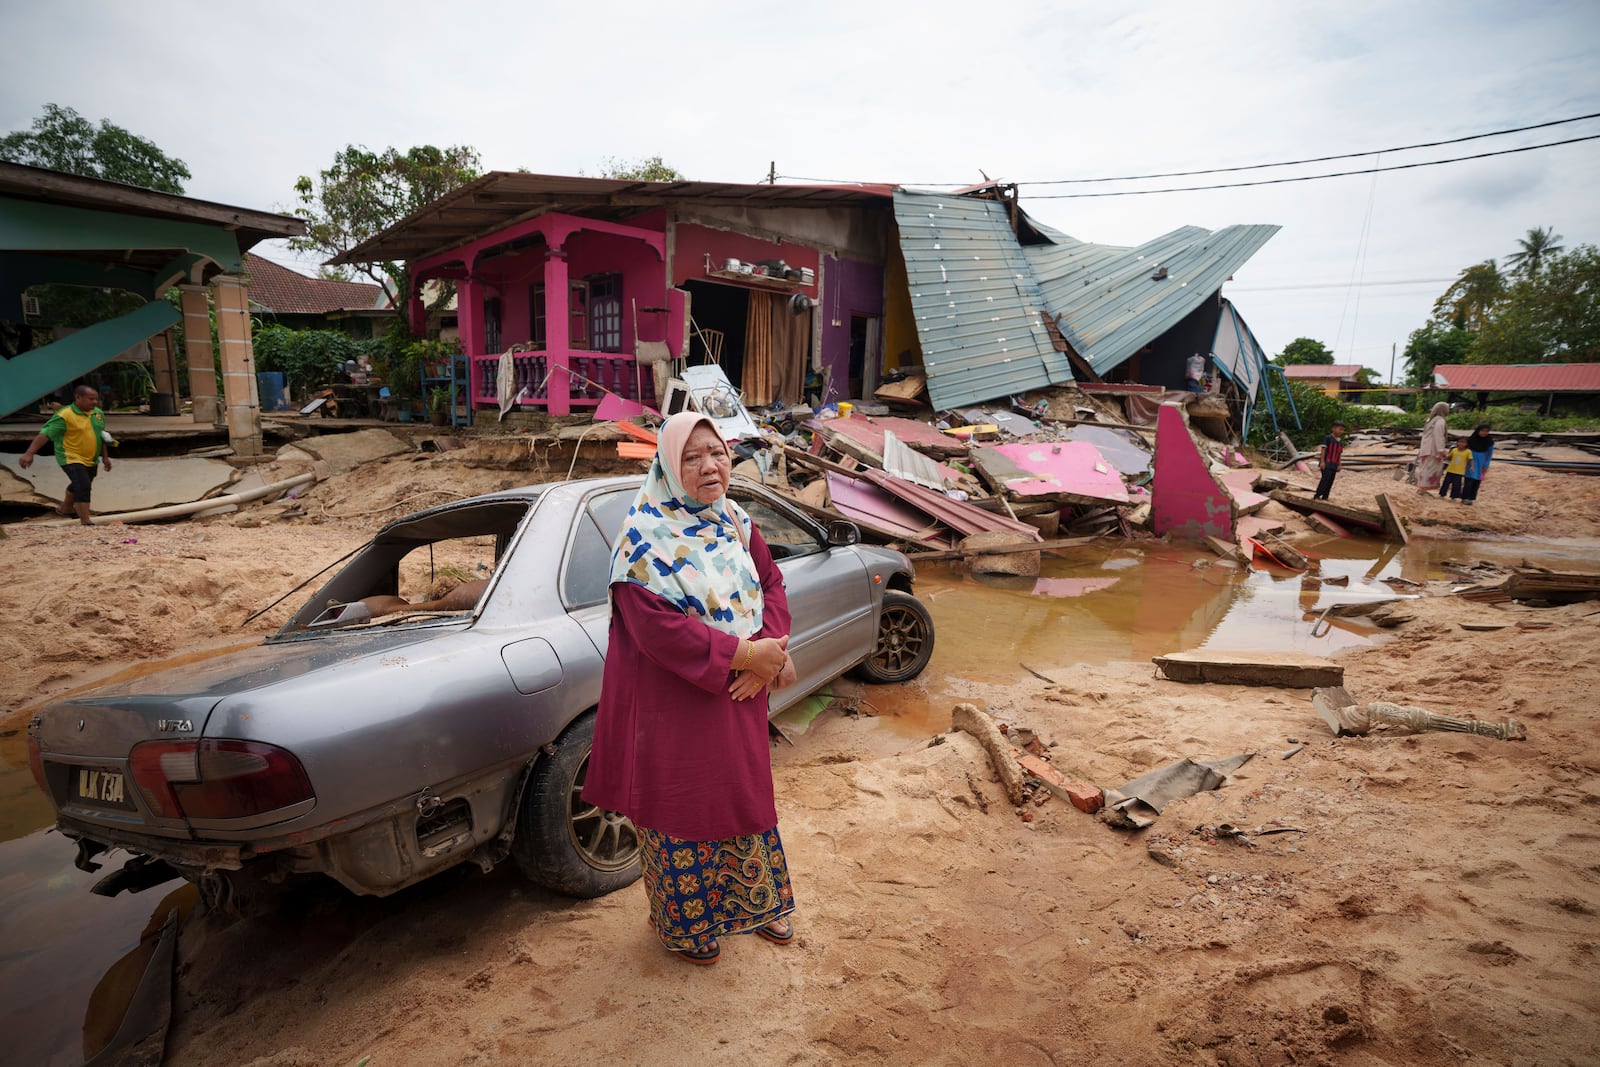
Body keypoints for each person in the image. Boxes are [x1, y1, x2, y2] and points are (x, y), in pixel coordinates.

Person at [582, 411, 799, 966]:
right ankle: (688, 925)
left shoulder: (735, 522)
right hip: (674, 704)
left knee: (742, 794)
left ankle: (758, 901)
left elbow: (771, 585)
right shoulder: (642, 538)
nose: (710, 466)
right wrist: (747, 654)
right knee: (680, 805)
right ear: (668, 465)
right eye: (692, 456)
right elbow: (656, 629)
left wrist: (768, 655)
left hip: (739, 696)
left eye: (719, 453)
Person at [18, 384, 112, 525]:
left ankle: (65, 509)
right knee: (83, 485)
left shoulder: (98, 413)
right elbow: (45, 434)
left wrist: (105, 457)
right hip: (70, 456)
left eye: (96, 399)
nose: (94, 402)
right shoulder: (64, 415)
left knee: (81, 482)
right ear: (78, 397)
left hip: (91, 458)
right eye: (91, 399)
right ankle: (85, 521)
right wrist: (29, 453)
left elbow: (102, 436)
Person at [1415, 401, 1451, 493]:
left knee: (1425, 469)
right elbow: (1438, 436)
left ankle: (1421, 488)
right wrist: (1441, 450)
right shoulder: (1440, 421)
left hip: (1426, 448)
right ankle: (1423, 489)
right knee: (1430, 469)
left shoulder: (1430, 420)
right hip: (1432, 449)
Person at [1461, 423, 1494, 505]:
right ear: (1478, 430)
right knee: (1469, 480)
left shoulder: (1489, 442)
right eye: (1482, 431)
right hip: (1470, 462)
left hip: (1481, 462)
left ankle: (1471, 497)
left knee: (1477, 480)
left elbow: (1489, 455)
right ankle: (1465, 497)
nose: (1484, 433)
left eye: (1486, 431)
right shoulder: (1471, 440)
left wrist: (1486, 465)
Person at [1312, 421, 1345, 501]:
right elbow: (1323, 450)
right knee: (1325, 480)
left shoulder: (1340, 441)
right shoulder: (1328, 438)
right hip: (1327, 462)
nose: (1341, 431)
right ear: (1333, 428)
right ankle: (1317, 495)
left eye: (1342, 430)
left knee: (1331, 481)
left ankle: (1325, 496)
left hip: (1334, 464)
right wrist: (1322, 462)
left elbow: (1339, 454)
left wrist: (1339, 464)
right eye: (1339, 429)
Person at [1439, 437, 1472, 501]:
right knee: (1446, 483)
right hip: (1450, 469)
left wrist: (1472, 466)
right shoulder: (1454, 450)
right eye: (1460, 442)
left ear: (1467, 444)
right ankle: (1442, 494)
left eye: (1463, 442)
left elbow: (1470, 459)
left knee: (1456, 485)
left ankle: (1454, 496)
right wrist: (1444, 457)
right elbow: (1450, 457)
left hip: (1459, 471)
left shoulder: (1468, 452)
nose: (1461, 444)